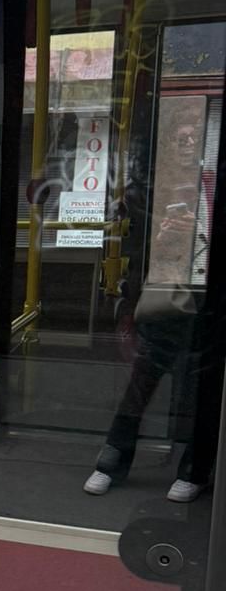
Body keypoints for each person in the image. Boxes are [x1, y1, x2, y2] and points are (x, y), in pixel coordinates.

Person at [85, 123, 217, 502]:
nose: (186, 143)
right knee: (140, 385)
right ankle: (110, 462)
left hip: (205, 300)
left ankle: (194, 470)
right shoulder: (145, 190)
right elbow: (127, 245)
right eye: (180, 137)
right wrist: (161, 238)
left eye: (193, 137)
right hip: (162, 297)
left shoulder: (209, 184)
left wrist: (199, 233)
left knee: (197, 391)